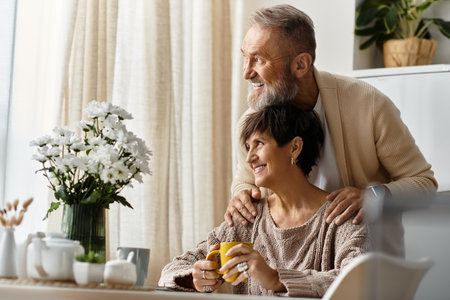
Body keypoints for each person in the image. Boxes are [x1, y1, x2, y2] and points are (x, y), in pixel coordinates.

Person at [225, 4, 437, 255]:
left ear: (301, 65)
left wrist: (373, 196)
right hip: (288, 273)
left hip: (367, 268)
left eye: (259, 59)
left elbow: (424, 184)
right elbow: (245, 184)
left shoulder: (368, 104)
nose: (247, 72)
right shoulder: (251, 122)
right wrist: (241, 198)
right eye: (245, 57)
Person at [159, 104, 369, 297]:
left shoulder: (341, 214)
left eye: (259, 144)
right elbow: (171, 271)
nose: (250, 158)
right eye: (248, 147)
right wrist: (196, 277)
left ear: (295, 147)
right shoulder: (249, 217)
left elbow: (360, 281)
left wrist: (276, 279)